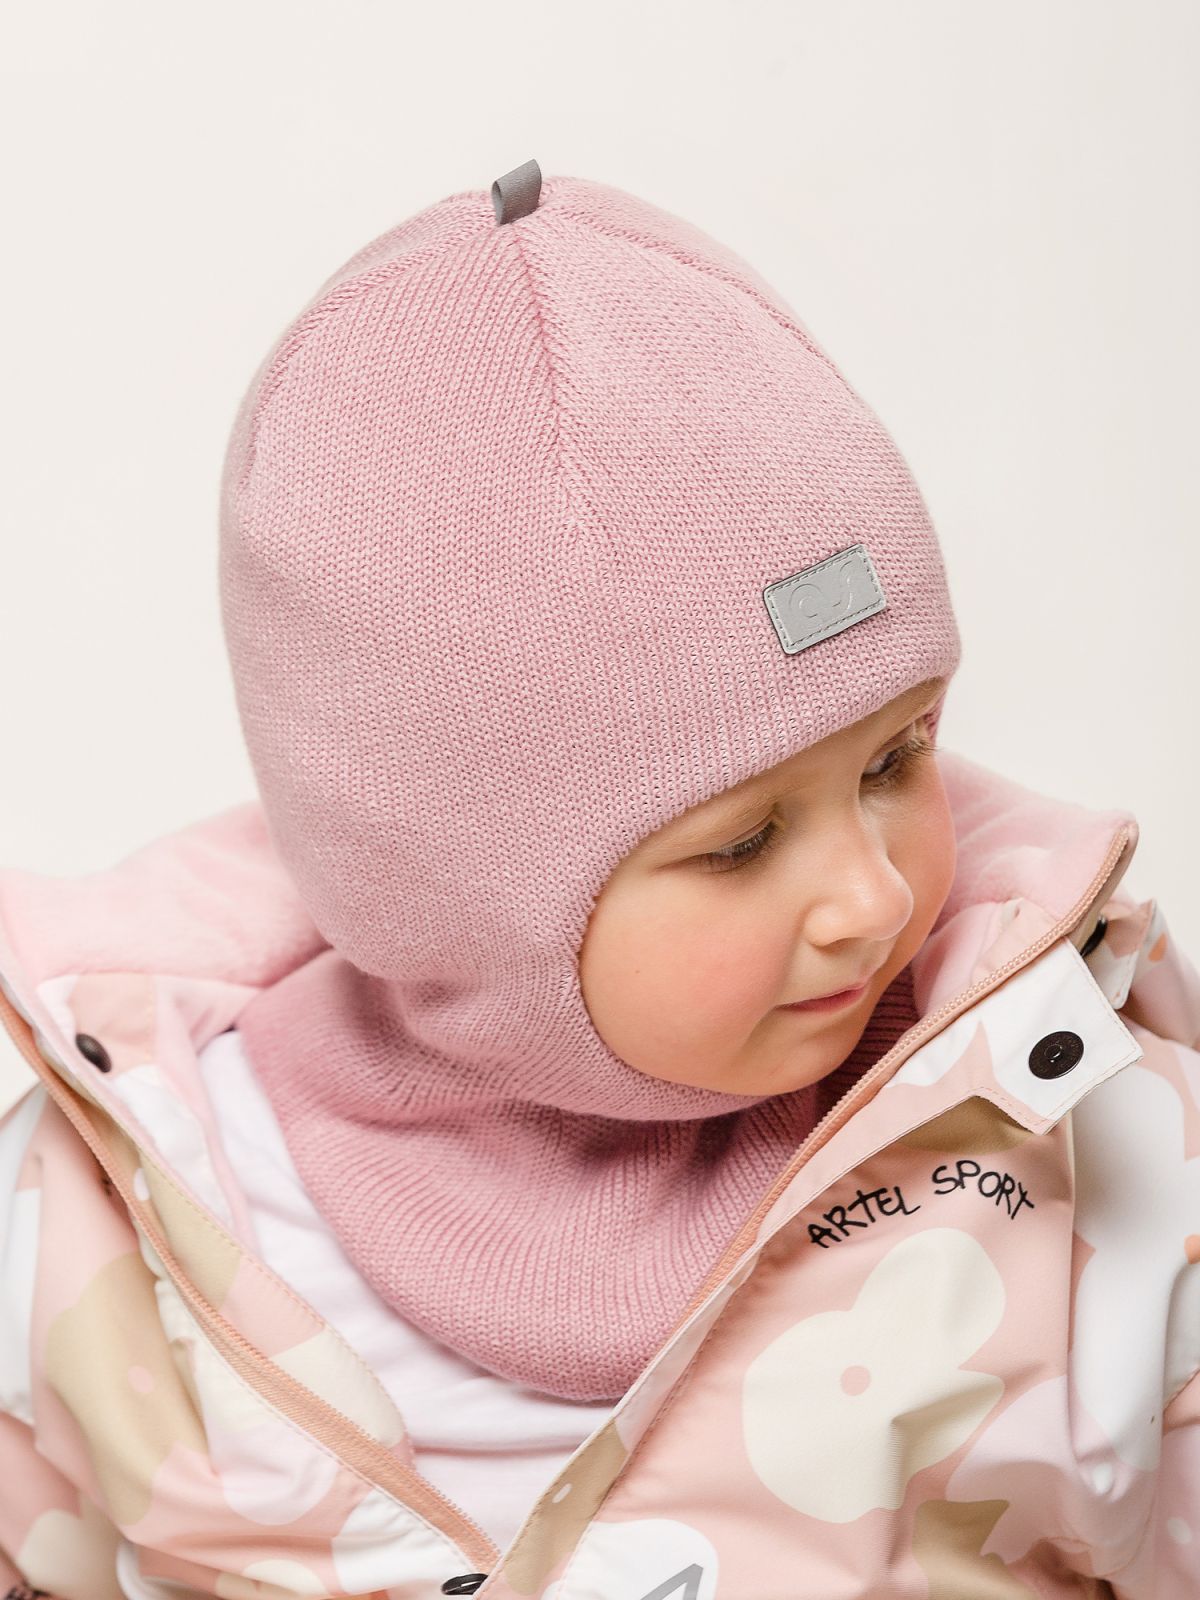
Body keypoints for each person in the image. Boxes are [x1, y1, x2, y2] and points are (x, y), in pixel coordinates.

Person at [0, 161, 1197, 1600]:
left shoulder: (1068, 1124)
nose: (876, 899)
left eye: (898, 758)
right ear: (445, 891)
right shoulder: (129, 1210)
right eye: (742, 842)